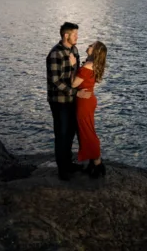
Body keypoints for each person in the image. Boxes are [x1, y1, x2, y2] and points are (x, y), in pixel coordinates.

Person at [46, 22, 92, 181]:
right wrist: (76, 93)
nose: (77, 37)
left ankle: (68, 163)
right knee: (62, 133)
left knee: (71, 131)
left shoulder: (74, 50)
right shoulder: (55, 54)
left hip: (72, 99)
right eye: (75, 34)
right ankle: (62, 170)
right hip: (59, 101)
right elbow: (55, 81)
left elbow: (74, 75)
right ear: (66, 35)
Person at [71, 41, 108, 178]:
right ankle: (94, 163)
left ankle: (97, 163)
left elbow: (74, 83)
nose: (89, 46)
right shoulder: (93, 65)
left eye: (92, 46)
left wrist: (73, 65)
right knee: (87, 130)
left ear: (96, 51)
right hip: (88, 99)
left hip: (84, 102)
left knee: (87, 131)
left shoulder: (87, 66)